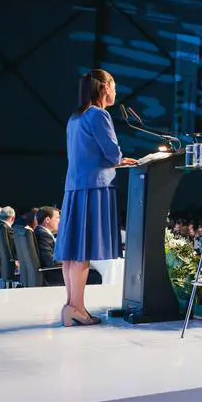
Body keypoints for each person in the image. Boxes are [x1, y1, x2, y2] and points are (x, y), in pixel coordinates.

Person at [57, 69, 136, 327]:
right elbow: (112, 153)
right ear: (103, 88)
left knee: (72, 252)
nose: (115, 92)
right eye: (114, 86)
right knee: (83, 252)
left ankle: (71, 305)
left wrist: (115, 160)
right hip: (94, 188)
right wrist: (120, 160)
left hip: (74, 187)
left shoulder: (75, 118)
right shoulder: (99, 115)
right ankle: (77, 308)